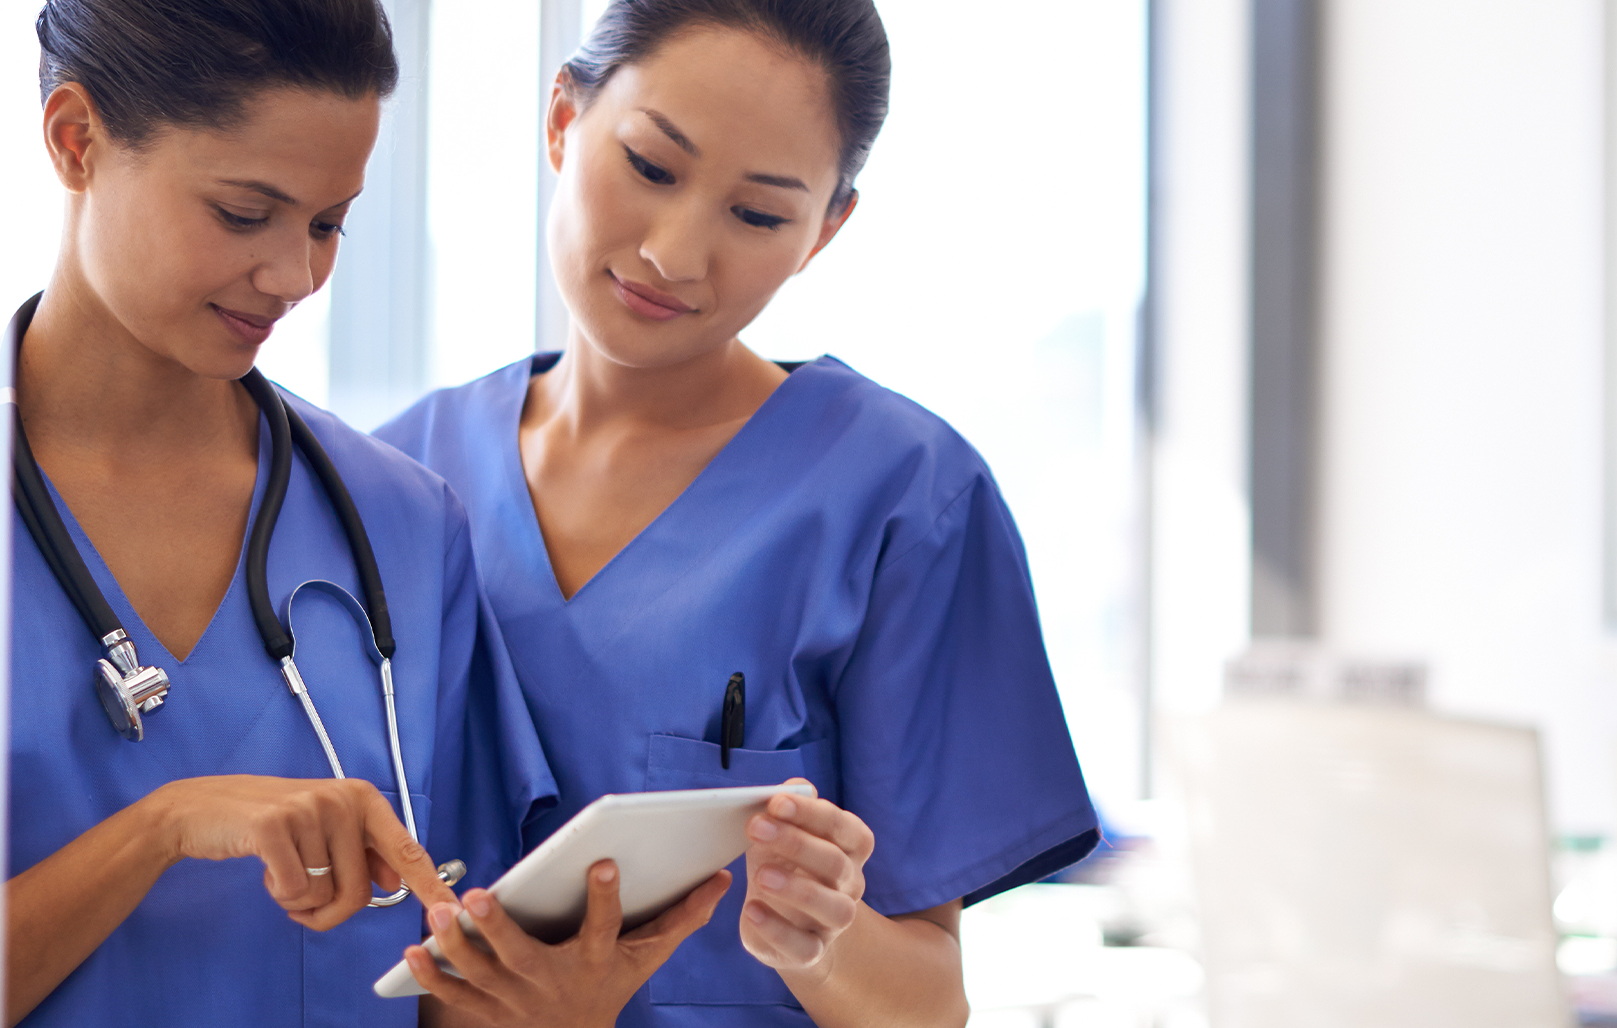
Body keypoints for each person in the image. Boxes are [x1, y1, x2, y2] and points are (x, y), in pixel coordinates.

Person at [0, 2, 579, 1024]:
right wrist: (161, 826)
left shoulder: (400, 525)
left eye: (326, 223)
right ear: (77, 139)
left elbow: (457, 966)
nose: (294, 275)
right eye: (243, 212)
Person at [373, 1, 1101, 1025]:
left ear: (825, 231)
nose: (674, 254)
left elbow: (928, 1003)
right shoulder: (398, 477)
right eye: (652, 167)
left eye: (757, 215)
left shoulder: (903, 496)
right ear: (561, 119)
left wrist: (818, 935)